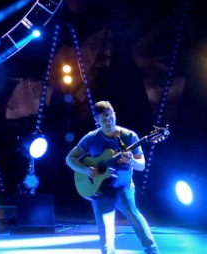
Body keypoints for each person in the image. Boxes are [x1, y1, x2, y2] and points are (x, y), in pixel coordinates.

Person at [65, 100, 160, 254]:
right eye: (104, 119)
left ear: (114, 115)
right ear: (97, 121)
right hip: (99, 191)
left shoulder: (129, 136)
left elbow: (141, 166)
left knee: (131, 212)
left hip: (122, 186)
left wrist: (132, 160)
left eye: (110, 117)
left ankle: (152, 250)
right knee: (106, 241)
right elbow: (70, 158)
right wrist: (84, 169)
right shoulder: (91, 138)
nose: (108, 121)